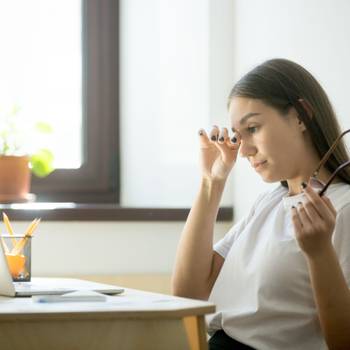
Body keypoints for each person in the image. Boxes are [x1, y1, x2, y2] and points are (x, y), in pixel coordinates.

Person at [171, 58, 350, 350]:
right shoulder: (269, 203)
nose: (245, 150)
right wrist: (211, 183)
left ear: (301, 115)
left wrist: (319, 254)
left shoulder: (343, 208)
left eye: (252, 128)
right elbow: (189, 294)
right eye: (238, 136)